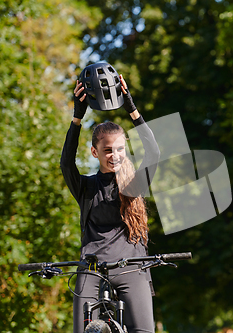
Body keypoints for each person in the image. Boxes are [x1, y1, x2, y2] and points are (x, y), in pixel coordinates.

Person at [60, 65, 160, 333]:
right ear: (95, 152)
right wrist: (76, 119)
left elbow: (153, 152)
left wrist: (132, 108)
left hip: (130, 266)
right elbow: (67, 164)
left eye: (119, 149)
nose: (114, 155)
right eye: (107, 150)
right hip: (92, 266)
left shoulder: (134, 183)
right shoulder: (87, 187)